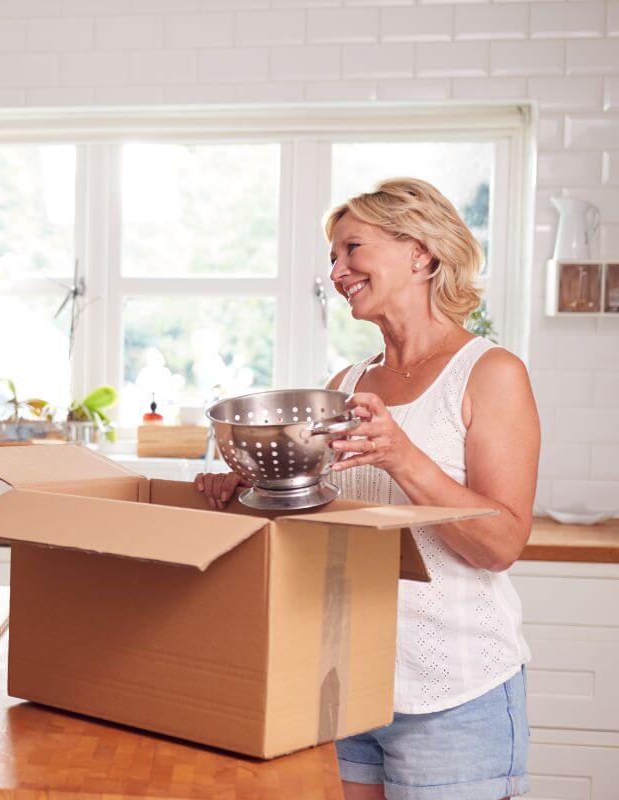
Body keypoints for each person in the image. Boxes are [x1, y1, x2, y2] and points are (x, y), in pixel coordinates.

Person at [196, 178, 539, 800]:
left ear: (422, 253)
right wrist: (251, 486)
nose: (338, 269)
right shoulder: (348, 383)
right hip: (349, 682)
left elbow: (501, 544)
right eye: (332, 257)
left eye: (352, 249)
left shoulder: (491, 373)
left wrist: (405, 457)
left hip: (455, 695)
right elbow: (328, 519)